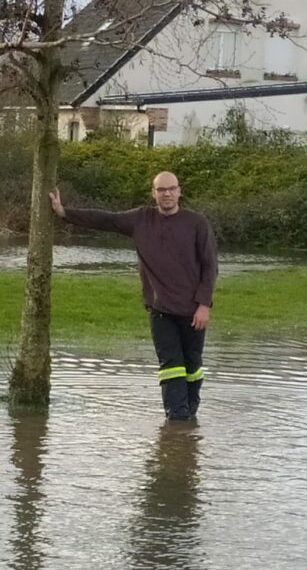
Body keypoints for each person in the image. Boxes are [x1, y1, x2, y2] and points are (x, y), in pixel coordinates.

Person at [49, 171, 218, 420]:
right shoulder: (141, 219)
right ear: (154, 194)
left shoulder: (197, 223)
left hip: (193, 310)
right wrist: (65, 213)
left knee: (192, 367)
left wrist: (204, 304)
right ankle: (177, 422)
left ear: (179, 191)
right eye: (161, 190)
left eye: (171, 189)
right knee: (171, 366)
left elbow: (210, 265)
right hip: (160, 309)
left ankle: (189, 416)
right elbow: (105, 219)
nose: (167, 194)